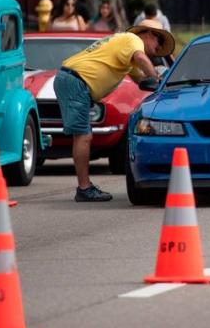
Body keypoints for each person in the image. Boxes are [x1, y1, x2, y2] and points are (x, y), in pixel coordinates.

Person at [54, 21, 175, 201]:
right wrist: (156, 76)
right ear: (149, 34)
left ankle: (84, 187)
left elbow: (140, 81)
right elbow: (142, 60)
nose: (157, 49)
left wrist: (160, 84)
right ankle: (84, 189)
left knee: (81, 135)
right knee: (83, 136)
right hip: (77, 81)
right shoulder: (132, 39)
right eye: (159, 42)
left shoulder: (126, 49)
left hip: (73, 79)